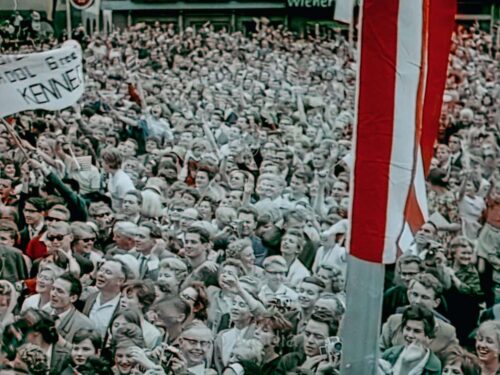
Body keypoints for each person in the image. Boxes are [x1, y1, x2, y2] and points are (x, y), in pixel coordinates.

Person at [381, 273, 459, 360]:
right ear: (409, 295)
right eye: (415, 295)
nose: (418, 301)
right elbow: (379, 351)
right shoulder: (394, 321)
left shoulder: (447, 332)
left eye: (424, 297)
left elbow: (453, 362)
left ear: (436, 302)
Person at [381, 305, 442, 375]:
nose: (410, 335)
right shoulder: (389, 354)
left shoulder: (434, 365)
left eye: (417, 331)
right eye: (408, 329)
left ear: (427, 334)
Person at [83, 259, 130, 338]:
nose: (101, 274)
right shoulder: (91, 297)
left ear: (120, 281)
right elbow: (75, 292)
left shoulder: (123, 306)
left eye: (108, 272)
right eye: (101, 270)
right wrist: (91, 276)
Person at [50, 273, 95, 344]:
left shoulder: (84, 325)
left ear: (73, 298)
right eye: (52, 289)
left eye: (59, 291)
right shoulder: (43, 312)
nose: (53, 294)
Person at [254, 309, 293, 375]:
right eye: (256, 328)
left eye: (264, 330)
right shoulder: (251, 358)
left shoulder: (279, 367)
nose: (256, 332)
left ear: (275, 339)